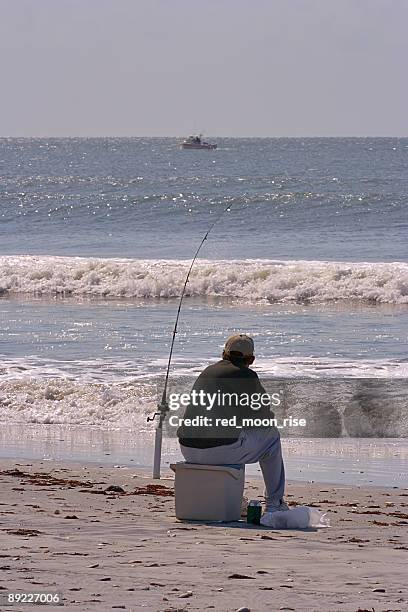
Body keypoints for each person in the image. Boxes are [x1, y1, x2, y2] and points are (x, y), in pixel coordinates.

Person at [177, 333, 288, 514]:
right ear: (251, 359)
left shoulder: (207, 371)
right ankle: (275, 503)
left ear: (223, 354)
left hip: (188, 449)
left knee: (237, 435)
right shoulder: (247, 376)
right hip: (220, 451)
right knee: (271, 437)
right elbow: (265, 417)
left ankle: (235, 499)